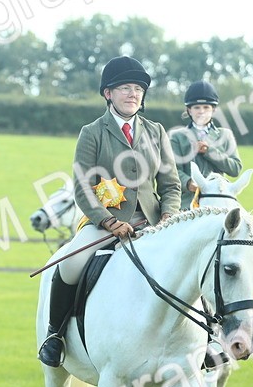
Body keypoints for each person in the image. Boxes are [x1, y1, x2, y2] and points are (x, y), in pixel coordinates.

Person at [37, 55, 182, 367]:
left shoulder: (156, 132)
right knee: (70, 263)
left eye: (138, 90)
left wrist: (169, 216)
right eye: (125, 88)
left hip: (156, 224)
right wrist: (108, 221)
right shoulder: (92, 133)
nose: (133, 94)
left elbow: (171, 184)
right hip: (105, 224)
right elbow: (81, 186)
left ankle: (207, 338)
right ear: (108, 93)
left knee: (195, 263)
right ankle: (55, 335)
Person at [168, 80, 242, 207]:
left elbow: (235, 169)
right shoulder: (177, 137)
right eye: (196, 107)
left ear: (213, 110)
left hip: (218, 200)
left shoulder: (225, 135)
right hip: (188, 202)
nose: (201, 111)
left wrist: (210, 151)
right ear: (189, 110)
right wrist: (188, 182)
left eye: (206, 107)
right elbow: (173, 170)